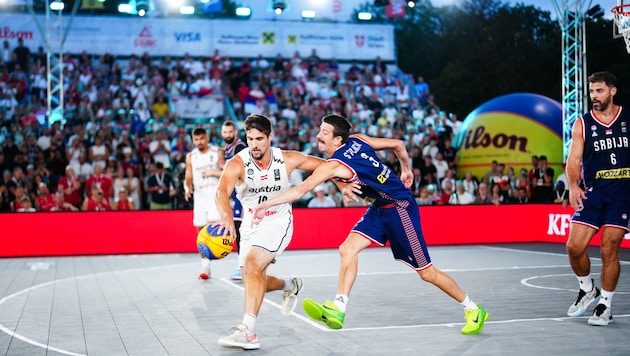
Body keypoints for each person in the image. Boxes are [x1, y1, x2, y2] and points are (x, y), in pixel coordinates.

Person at [253, 114, 488, 335]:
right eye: (319, 130)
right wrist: (405, 169)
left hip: (400, 209)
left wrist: (266, 205)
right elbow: (398, 144)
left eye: (324, 132)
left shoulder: (335, 165)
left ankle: (473, 309)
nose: (318, 136)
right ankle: (338, 308)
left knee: (427, 273)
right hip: (379, 208)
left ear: (337, 139)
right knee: (347, 249)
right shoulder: (358, 140)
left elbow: (301, 190)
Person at [214, 114, 326, 350]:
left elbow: (325, 166)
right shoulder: (237, 163)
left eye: (259, 139)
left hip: (278, 220)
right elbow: (221, 192)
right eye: (250, 138)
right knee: (251, 278)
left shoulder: (286, 159)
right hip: (250, 224)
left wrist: (343, 182)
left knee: (253, 265)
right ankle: (290, 285)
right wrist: (226, 216)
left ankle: (247, 331)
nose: (254, 144)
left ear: (270, 137)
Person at [565, 71, 630, 326]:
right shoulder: (582, 124)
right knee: (573, 246)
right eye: (592, 91)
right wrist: (572, 185)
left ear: (612, 91)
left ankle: (605, 304)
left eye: (599, 91)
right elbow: (574, 159)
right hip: (594, 191)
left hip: (622, 193)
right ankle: (586, 288)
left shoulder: (627, 117)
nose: (594, 96)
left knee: (608, 248)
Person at [184, 127, 225, 280]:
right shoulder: (190, 156)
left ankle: (214, 256)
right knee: (200, 231)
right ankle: (205, 264)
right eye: (196, 140)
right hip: (200, 198)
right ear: (193, 140)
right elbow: (188, 177)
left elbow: (227, 172)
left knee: (212, 228)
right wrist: (186, 188)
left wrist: (213, 172)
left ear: (207, 138)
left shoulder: (217, 152)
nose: (199, 142)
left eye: (202, 139)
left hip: (215, 196)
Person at [220, 120, 247, 281]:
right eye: (225, 133)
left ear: (235, 132)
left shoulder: (239, 147)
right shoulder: (227, 148)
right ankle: (244, 265)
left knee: (239, 229)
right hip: (238, 194)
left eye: (230, 132)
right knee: (241, 230)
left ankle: (242, 266)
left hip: (245, 194)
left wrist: (215, 171)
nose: (228, 135)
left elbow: (236, 173)